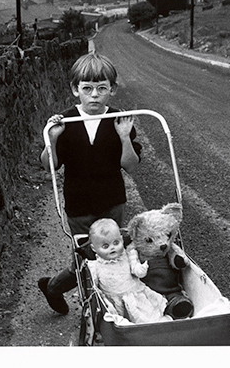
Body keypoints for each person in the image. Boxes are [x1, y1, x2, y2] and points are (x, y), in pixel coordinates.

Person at [38, 52, 142, 315]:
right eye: (87, 89)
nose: (94, 95)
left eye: (101, 88)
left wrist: (124, 137)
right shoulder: (65, 121)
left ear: (112, 90)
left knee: (115, 255)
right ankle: (56, 288)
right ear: (76, 90)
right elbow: (49, 165)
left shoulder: (120, 120)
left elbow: (131, 165)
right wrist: (52, 139)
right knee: (86, 258)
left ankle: (113, 308)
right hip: (79, 203)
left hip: (113, 201)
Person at [86, 219, 168, 324]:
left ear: (121, 239)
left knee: (147, 315)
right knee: (118, 321)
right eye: (105, 246)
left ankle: (158, 323)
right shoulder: (95, 266)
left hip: (134, 295)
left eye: (116, 243)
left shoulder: (128, 255)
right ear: (94, 248)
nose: (112, 248)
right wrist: (104, 301)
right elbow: (95, 287)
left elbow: (137, 271)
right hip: (115, 300)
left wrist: (141, 268)